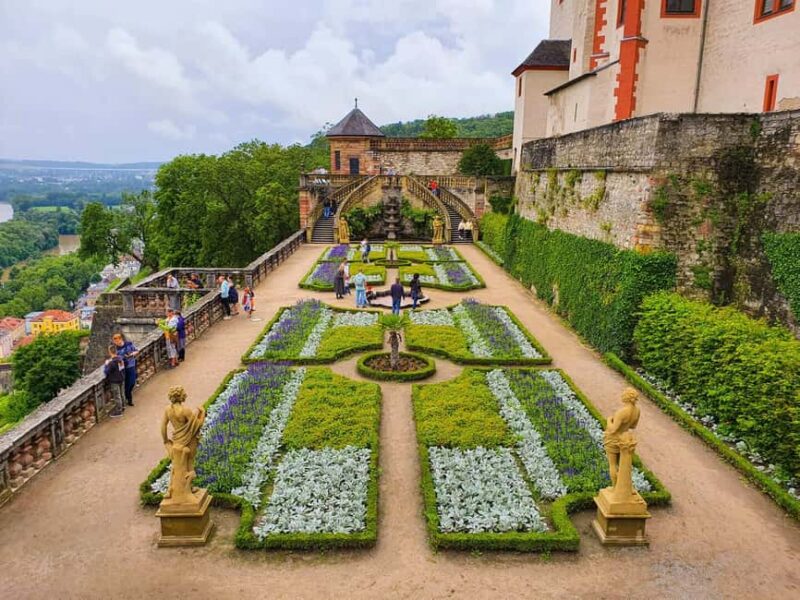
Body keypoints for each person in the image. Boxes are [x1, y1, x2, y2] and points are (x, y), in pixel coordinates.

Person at [113, 333, 139, 407]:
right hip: (123, 368)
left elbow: (137, 351)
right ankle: (129, 399)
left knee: (132, 383)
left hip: (131, 365)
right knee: (127, 384)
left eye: (117, 341)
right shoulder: (116, 349)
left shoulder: (129, 344)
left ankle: (127, 395)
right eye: (115, 342)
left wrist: (131, 354)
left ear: (120, 339)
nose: (116, 343)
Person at [103, 344, 125, 417]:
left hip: (114, 381)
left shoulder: (112, 363)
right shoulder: (120, 359)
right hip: (121, 378)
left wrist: (106, 365)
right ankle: (123, 406)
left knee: (117, 396)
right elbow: (122, 368)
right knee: (122, 393)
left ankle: (119, 411)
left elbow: (106, 372)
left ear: (110, 352)